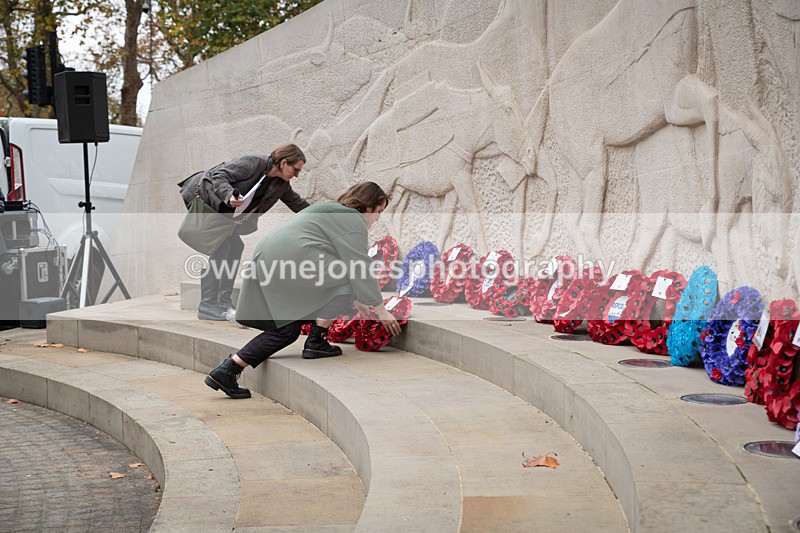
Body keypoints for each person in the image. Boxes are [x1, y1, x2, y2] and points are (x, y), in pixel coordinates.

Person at [204, 181, 402, 399]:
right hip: (294, 260)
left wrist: (360, 299)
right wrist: (379, 309)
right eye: (379, 211)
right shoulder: (351, 218)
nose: (378, 218)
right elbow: (358, 265)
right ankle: (317, 340)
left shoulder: (332, 211)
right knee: (347, 278)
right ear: (368, 206)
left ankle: (228, 370)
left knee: (286, 330)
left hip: (272, 258)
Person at [179, 144, 310, 321]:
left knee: (236, 246)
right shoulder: (254, 163)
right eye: (295, 170)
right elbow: (219, 175)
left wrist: (325, 215)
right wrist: (229, 196)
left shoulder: (281, 184)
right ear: (284, 162)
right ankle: (208, 305)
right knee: (221, 247)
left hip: (225, 213)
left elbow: (297, 204)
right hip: (207, 197)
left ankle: (224, 303)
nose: (296, 175)